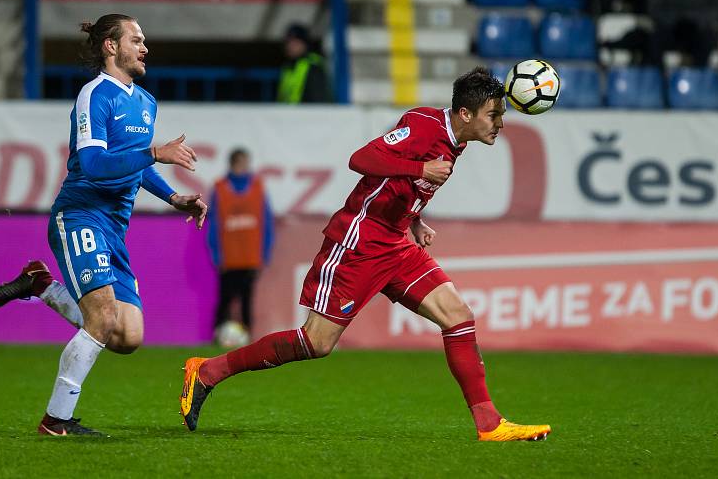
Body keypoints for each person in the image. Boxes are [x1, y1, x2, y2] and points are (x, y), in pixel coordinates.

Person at [180, 67, 551, 442]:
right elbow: (361, 159)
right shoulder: (423, 126)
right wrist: (418, 167)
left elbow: (401, 187)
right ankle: (209, 370)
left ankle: (489, 423)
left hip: (396, 243)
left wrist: (415, 220)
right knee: (316, 343)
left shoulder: (458, 142)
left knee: (458, 316)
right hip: (359, 242)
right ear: (466, 114)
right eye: (495, 114)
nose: (501, 122)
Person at [0, 14, 208, 436]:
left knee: (127, 337)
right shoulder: (95, 95)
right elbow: (94, 163)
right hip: (80, 214)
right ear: (110, 45)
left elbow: (135, 163)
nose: (145, 48)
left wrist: (174, 197)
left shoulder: (145, 101)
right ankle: (56, 420)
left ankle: (40, 285)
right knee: (103, 316)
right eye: (136, 40)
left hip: (114, 230)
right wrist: (155, 153)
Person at [206, 148, 273, 343]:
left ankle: (248, 338)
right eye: (241, 163)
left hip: (250, 256)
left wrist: (265, 254)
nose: (244, 168)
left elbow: (266, 223)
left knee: (246, 301)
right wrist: (216, 255)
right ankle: (218, 336)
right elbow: (214, 224)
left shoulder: (258, 187)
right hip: (229, 257)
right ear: (233, 164)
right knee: (225, 299)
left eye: (246, 163)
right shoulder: (220, 188)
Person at [276, 23, 332, 104]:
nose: (291, 46)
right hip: (288, 115)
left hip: (306, 115)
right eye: (289, 42)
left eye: (296, 43)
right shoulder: (288, 67)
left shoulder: (313, 65)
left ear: (305, 44)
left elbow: (318, 100)